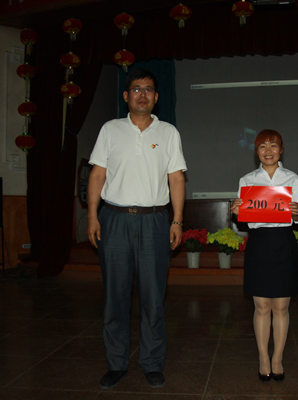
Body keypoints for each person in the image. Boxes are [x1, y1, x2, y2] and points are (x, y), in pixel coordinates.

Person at [87, 68, 187, 390]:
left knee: (153, 297)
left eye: (148, 89)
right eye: (136, 88)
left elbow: (176, 178)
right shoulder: (110, 130)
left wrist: (177, 219)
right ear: (126, 95)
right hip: (114, 219)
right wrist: (92, 216)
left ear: (156, 97)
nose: (142, 94)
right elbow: (97, 175)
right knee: (114, 297)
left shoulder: (168, 132)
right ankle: (116, 363)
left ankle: (152, 362)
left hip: (154, 221)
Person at [230, 129, 298, 382]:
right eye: (262, 146)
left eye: (273, 145)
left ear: (281, 150)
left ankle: (278, 359)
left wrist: (296, 211)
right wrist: (236, 210)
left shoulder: (292, 178)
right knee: (261, 306)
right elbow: (242, 218)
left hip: (283, 242)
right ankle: (263, 358)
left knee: (281, 306)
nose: (268, 151)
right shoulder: (247, 180)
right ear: (256, 152)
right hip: (259, 244)